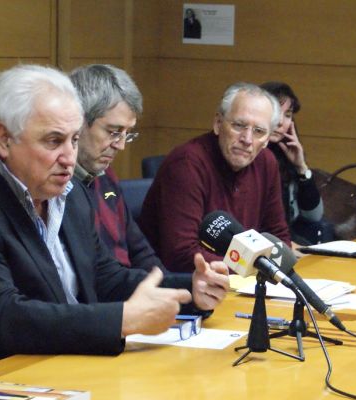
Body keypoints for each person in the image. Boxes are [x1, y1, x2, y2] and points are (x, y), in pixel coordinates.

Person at [0, 64, 229, 385]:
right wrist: (122, 320)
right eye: (53, 141)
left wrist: (190, 291)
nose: (68, 158)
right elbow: (0, 318)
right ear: (4, 139)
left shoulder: (69, 193)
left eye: (74, 140)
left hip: (48, 369)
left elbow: (104, 276)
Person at [138, 82, 290, 272]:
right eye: (239, 125)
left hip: (241, 283)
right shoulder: (186, 164)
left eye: (258, 131)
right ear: (218, 123)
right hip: (180, 287)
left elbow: (278, 235)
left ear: (267, 140)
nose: (247, 139)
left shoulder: (266, 162)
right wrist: (254, 268)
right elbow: (181, 254)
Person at [69, 64, 165, 272]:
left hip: (131, 293)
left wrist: (174, 292)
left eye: (127, 134)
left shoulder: (104, 175)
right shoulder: (57, 188)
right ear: (78, 121)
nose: (121, 145)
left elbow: (140, 252)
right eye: (113, 132)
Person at [259, 81, 331, 245]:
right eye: (275, 112)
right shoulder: (247, 157)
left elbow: (313, 216)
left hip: (286, 241)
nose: (280, 122)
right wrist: (288, 247)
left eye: (288, 115)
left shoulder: (284, 155)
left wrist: (301, 167)